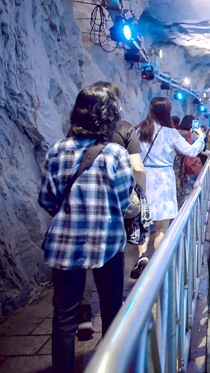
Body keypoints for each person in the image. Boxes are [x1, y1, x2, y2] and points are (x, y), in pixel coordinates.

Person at [38, 87, 134, 373]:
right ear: (109, 117)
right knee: (111, 307)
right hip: (107, 243)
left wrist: (71, 215)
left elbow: (46, 198)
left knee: (64, 315)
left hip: (65, 245)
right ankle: (112, 364)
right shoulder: (116, 153)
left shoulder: (56, 150)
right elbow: (124, 202)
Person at [68, 82, 148, 335]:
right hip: (112, 204)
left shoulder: (71, 134)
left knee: (81, 262)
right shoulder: (123, 130)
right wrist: (137, 196)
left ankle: (83, 314)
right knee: (112, 261)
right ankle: (112, 336)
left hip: (78, 209)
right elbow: (137, 169)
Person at [134, 98, 206, 268]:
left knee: (144, 222)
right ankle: (158, 264)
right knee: (161, 227)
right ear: (166, 112)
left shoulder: (138, 130)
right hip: (163, 178)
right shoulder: (169, 133)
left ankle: (142, 256)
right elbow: (191, 151)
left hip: (144, 176)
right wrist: (201, 138)